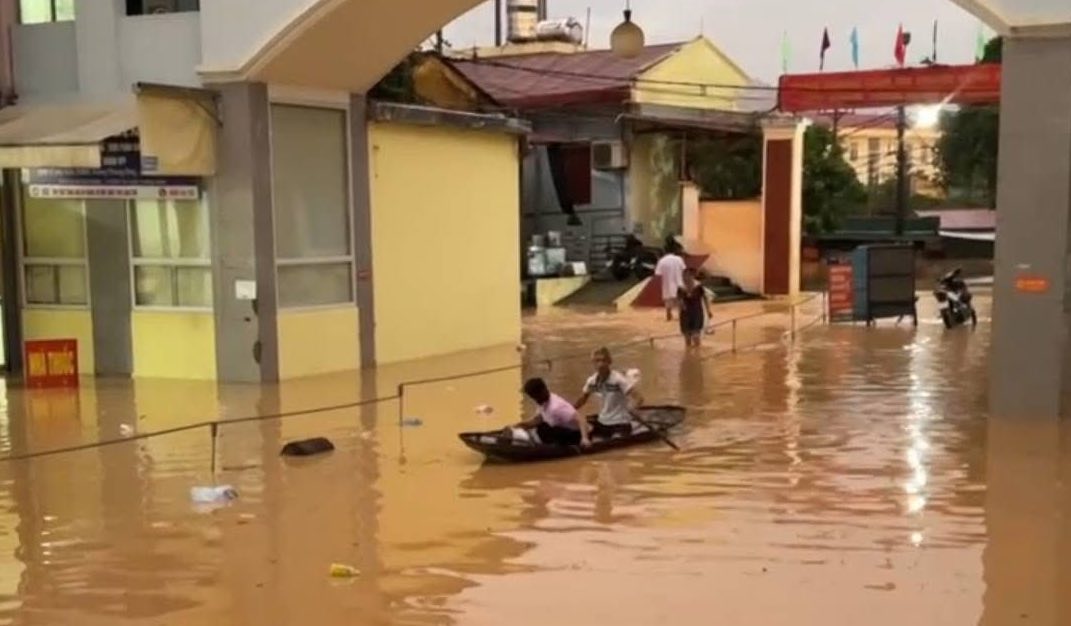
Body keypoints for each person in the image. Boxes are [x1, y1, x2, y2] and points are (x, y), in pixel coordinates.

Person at [575, 347, 644, 438]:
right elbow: (582, 400)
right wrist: (570, 410)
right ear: (593, 363)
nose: (601, 364)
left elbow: (639, 398)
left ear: (609, 362)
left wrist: (632, 408)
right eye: (597, 361)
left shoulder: (618, 379)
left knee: (616, 440)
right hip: (602, 422)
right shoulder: (592, 381)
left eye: (603, 360)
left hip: (620, 423)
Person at [511, 378, 592, 447]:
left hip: (578, 434)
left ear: (542, 392)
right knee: (542, 427)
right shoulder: (543, 402)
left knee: (544, 429)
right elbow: (538, 420)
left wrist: (585, 438)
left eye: (535, 397)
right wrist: (520, 425)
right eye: (533, 397)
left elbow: (581, 419)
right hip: (562, 429)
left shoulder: (557, 407)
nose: (535, 400)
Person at [678, 268, 713, 348]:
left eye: (687, 276)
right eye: (683, 276)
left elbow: (705, 299)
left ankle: (697, 356)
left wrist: (708, 311)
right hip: (685, 315)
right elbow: (679, 301)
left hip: (697, 313)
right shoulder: (680, 288)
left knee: (696, 336)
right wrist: (681, 304)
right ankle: (689, 357)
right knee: (687, 338)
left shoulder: (699, 287)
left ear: (692, 276)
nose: (685, 278)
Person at [654, 245, 687, 322]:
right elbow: (684, 270)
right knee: (680, 300)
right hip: (679, 283)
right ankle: (681, 316)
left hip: (667, 284)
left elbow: (658, 274)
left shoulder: (662, 261)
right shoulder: (679, 259)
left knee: (668, 300)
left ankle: (669, 314)